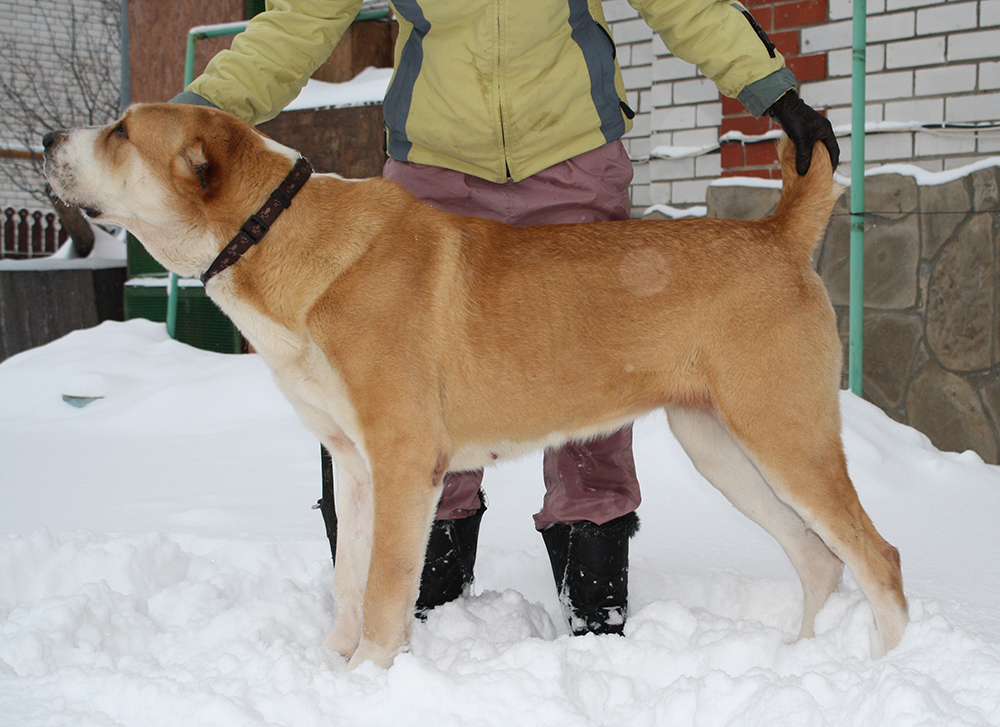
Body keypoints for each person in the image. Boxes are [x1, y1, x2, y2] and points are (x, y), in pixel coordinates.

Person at [172, 0, 839, 637]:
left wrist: (769, 88)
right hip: (433, 172)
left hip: (571, 155)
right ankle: (429, 603)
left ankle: (594, 609)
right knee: (410, 399)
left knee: (601, 372)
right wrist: (194, 113)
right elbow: (302, 18)